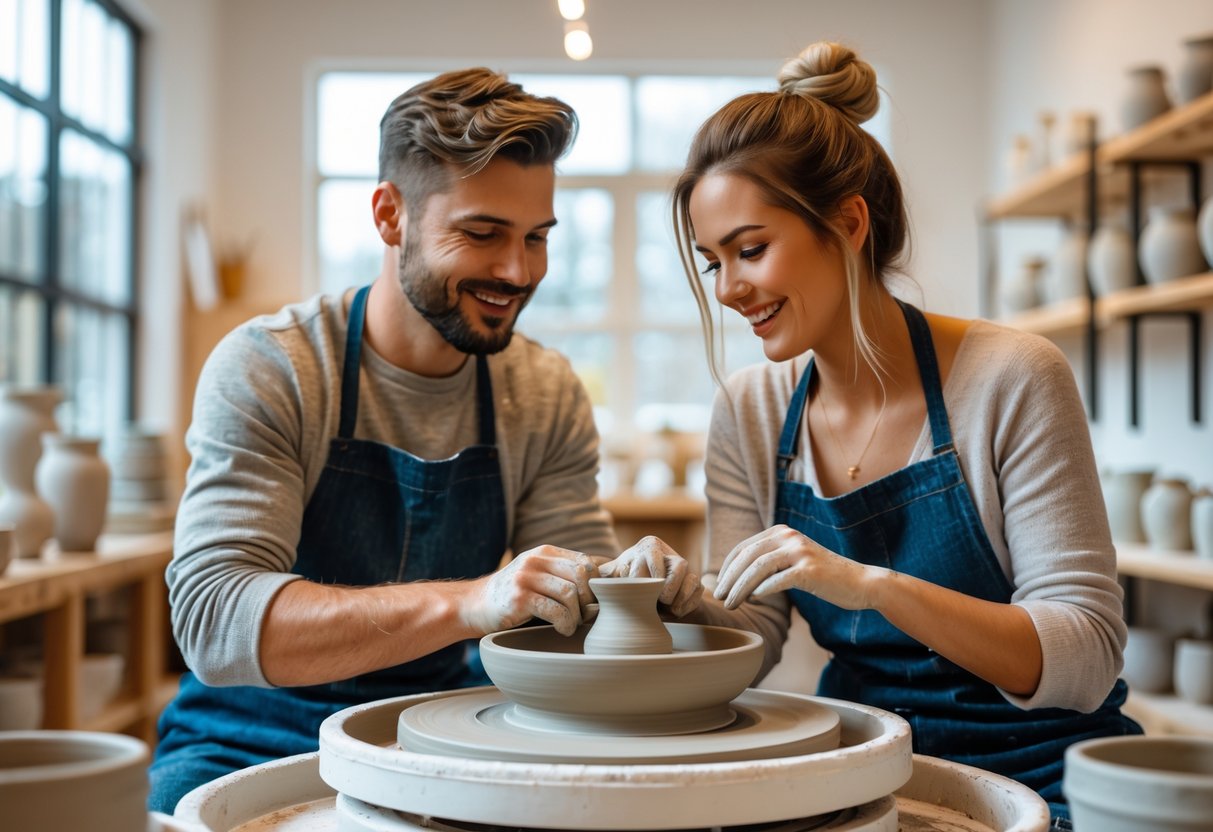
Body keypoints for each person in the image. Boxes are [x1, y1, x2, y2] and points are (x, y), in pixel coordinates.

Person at [149, 68, 714, 813]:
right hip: (249, 735)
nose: (516, 272)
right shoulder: (273, 367)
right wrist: (470, 603)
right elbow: (215, 623)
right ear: (390, 215)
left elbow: (581, 619)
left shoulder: (543, 393)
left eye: (536, 238)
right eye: (481, 234)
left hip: (445, 739)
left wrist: (634, 590)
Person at [670, 42, 1141, 827]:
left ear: (848, 223)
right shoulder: (750, 410)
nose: (728, 289)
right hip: (858, 769)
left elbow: (1085, 656)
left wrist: (867, 585)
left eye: (750, 250)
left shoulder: (1011, 376)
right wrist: (676, 598)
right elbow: (748, 637)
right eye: (711, 261)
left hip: (1036, 774)